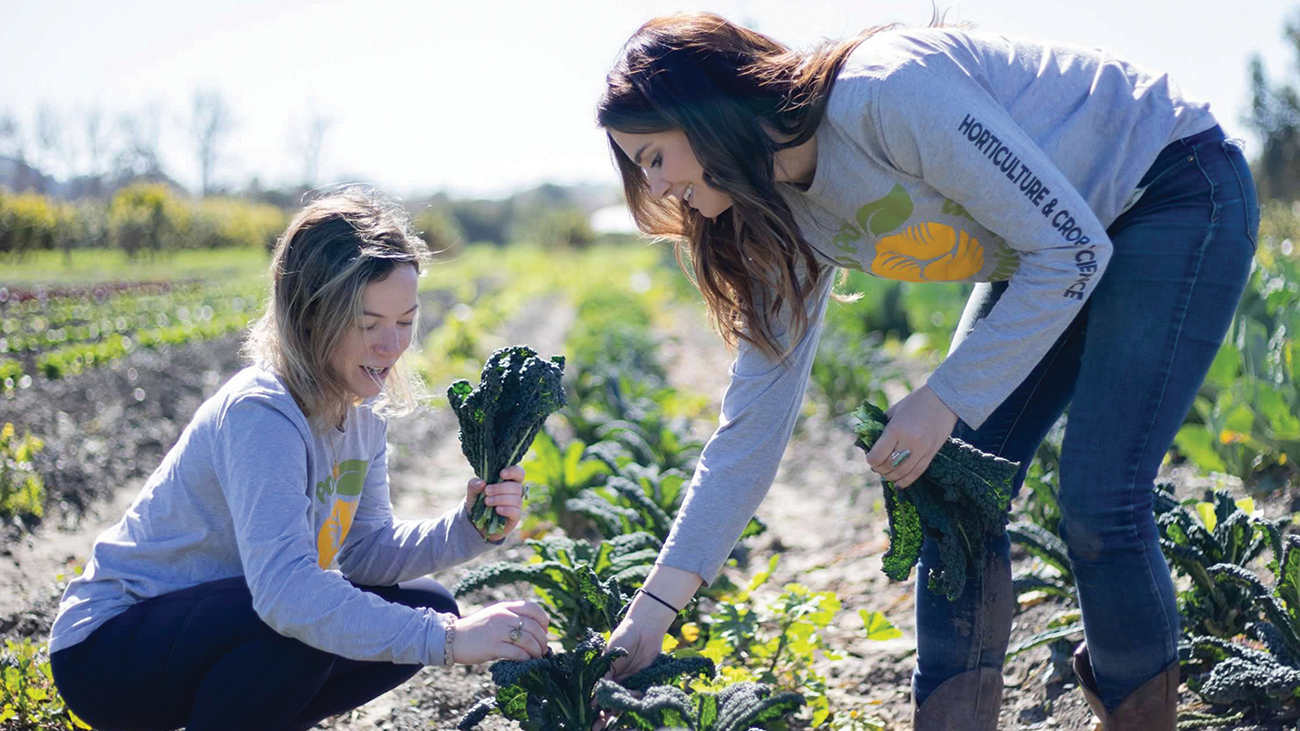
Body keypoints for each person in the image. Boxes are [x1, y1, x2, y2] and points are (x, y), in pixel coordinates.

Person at [596, 12, 1258, 731]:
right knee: (951, 489)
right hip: (1050, 245)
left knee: (1100, 500)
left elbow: (1070, 251)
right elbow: (749, 430)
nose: (656, 186)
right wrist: (652, 609)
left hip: (1168, 187)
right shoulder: (774, 217)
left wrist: (943, 397)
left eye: (655, 155)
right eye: (640, 168)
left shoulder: (884, 95)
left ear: (704, 114)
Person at [48, 188, 551, 731]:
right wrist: (449, 642)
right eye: (367, 323)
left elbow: (362, 553)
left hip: (219, 626)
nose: (391, 344)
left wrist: (469, 530)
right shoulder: (261, 412)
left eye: (404, 321)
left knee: (423, 602)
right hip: (110, 649)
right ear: (311, 316)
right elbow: (287, 594)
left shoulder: (360, 411)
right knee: (304, 620)